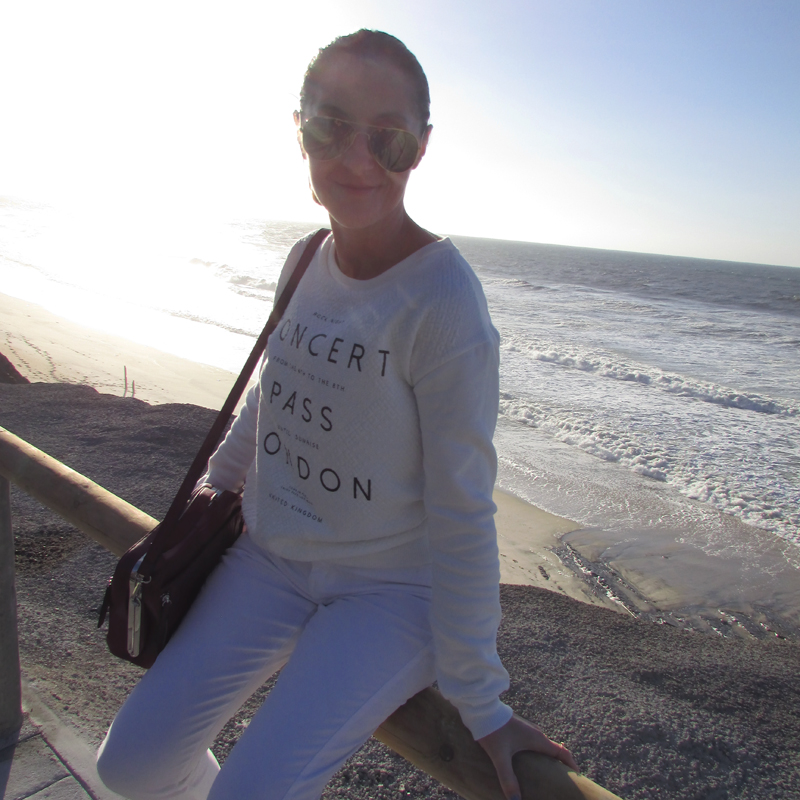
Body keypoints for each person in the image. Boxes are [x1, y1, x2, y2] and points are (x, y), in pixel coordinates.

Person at [96, 29, 577, 800]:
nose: (357, 158)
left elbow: (462, 509)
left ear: (421, 147)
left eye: (388, 138)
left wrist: (482, 702)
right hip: (268, 557)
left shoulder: (444, 302)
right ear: (300, 130)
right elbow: (273, 389)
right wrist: (213, 491)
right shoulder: (304, 259)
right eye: (331, 126)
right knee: (129, 764)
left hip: (390, 592)